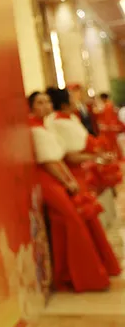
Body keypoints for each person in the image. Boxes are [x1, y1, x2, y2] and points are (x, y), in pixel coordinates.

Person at [27, 92, 119, 291]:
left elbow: (58, 158)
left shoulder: (46, 126)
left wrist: (68, 178)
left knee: (67, 223)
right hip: (48, 180)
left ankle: (68, 275)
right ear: (31, 107)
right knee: (73, 220)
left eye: (47, 101)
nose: (46, 105)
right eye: (40, 102)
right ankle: (80, 277)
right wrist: (67, 180)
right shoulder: (36, 129)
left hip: (59, 177)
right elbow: (48, 160)